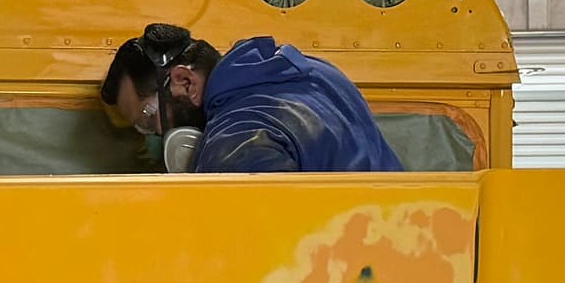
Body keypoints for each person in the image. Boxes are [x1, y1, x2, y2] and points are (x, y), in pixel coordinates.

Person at [99, 21, 403, 174]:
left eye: (149, 119)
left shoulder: (235, 141)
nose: (159, 135)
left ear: (184, 81)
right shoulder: (316, 73)